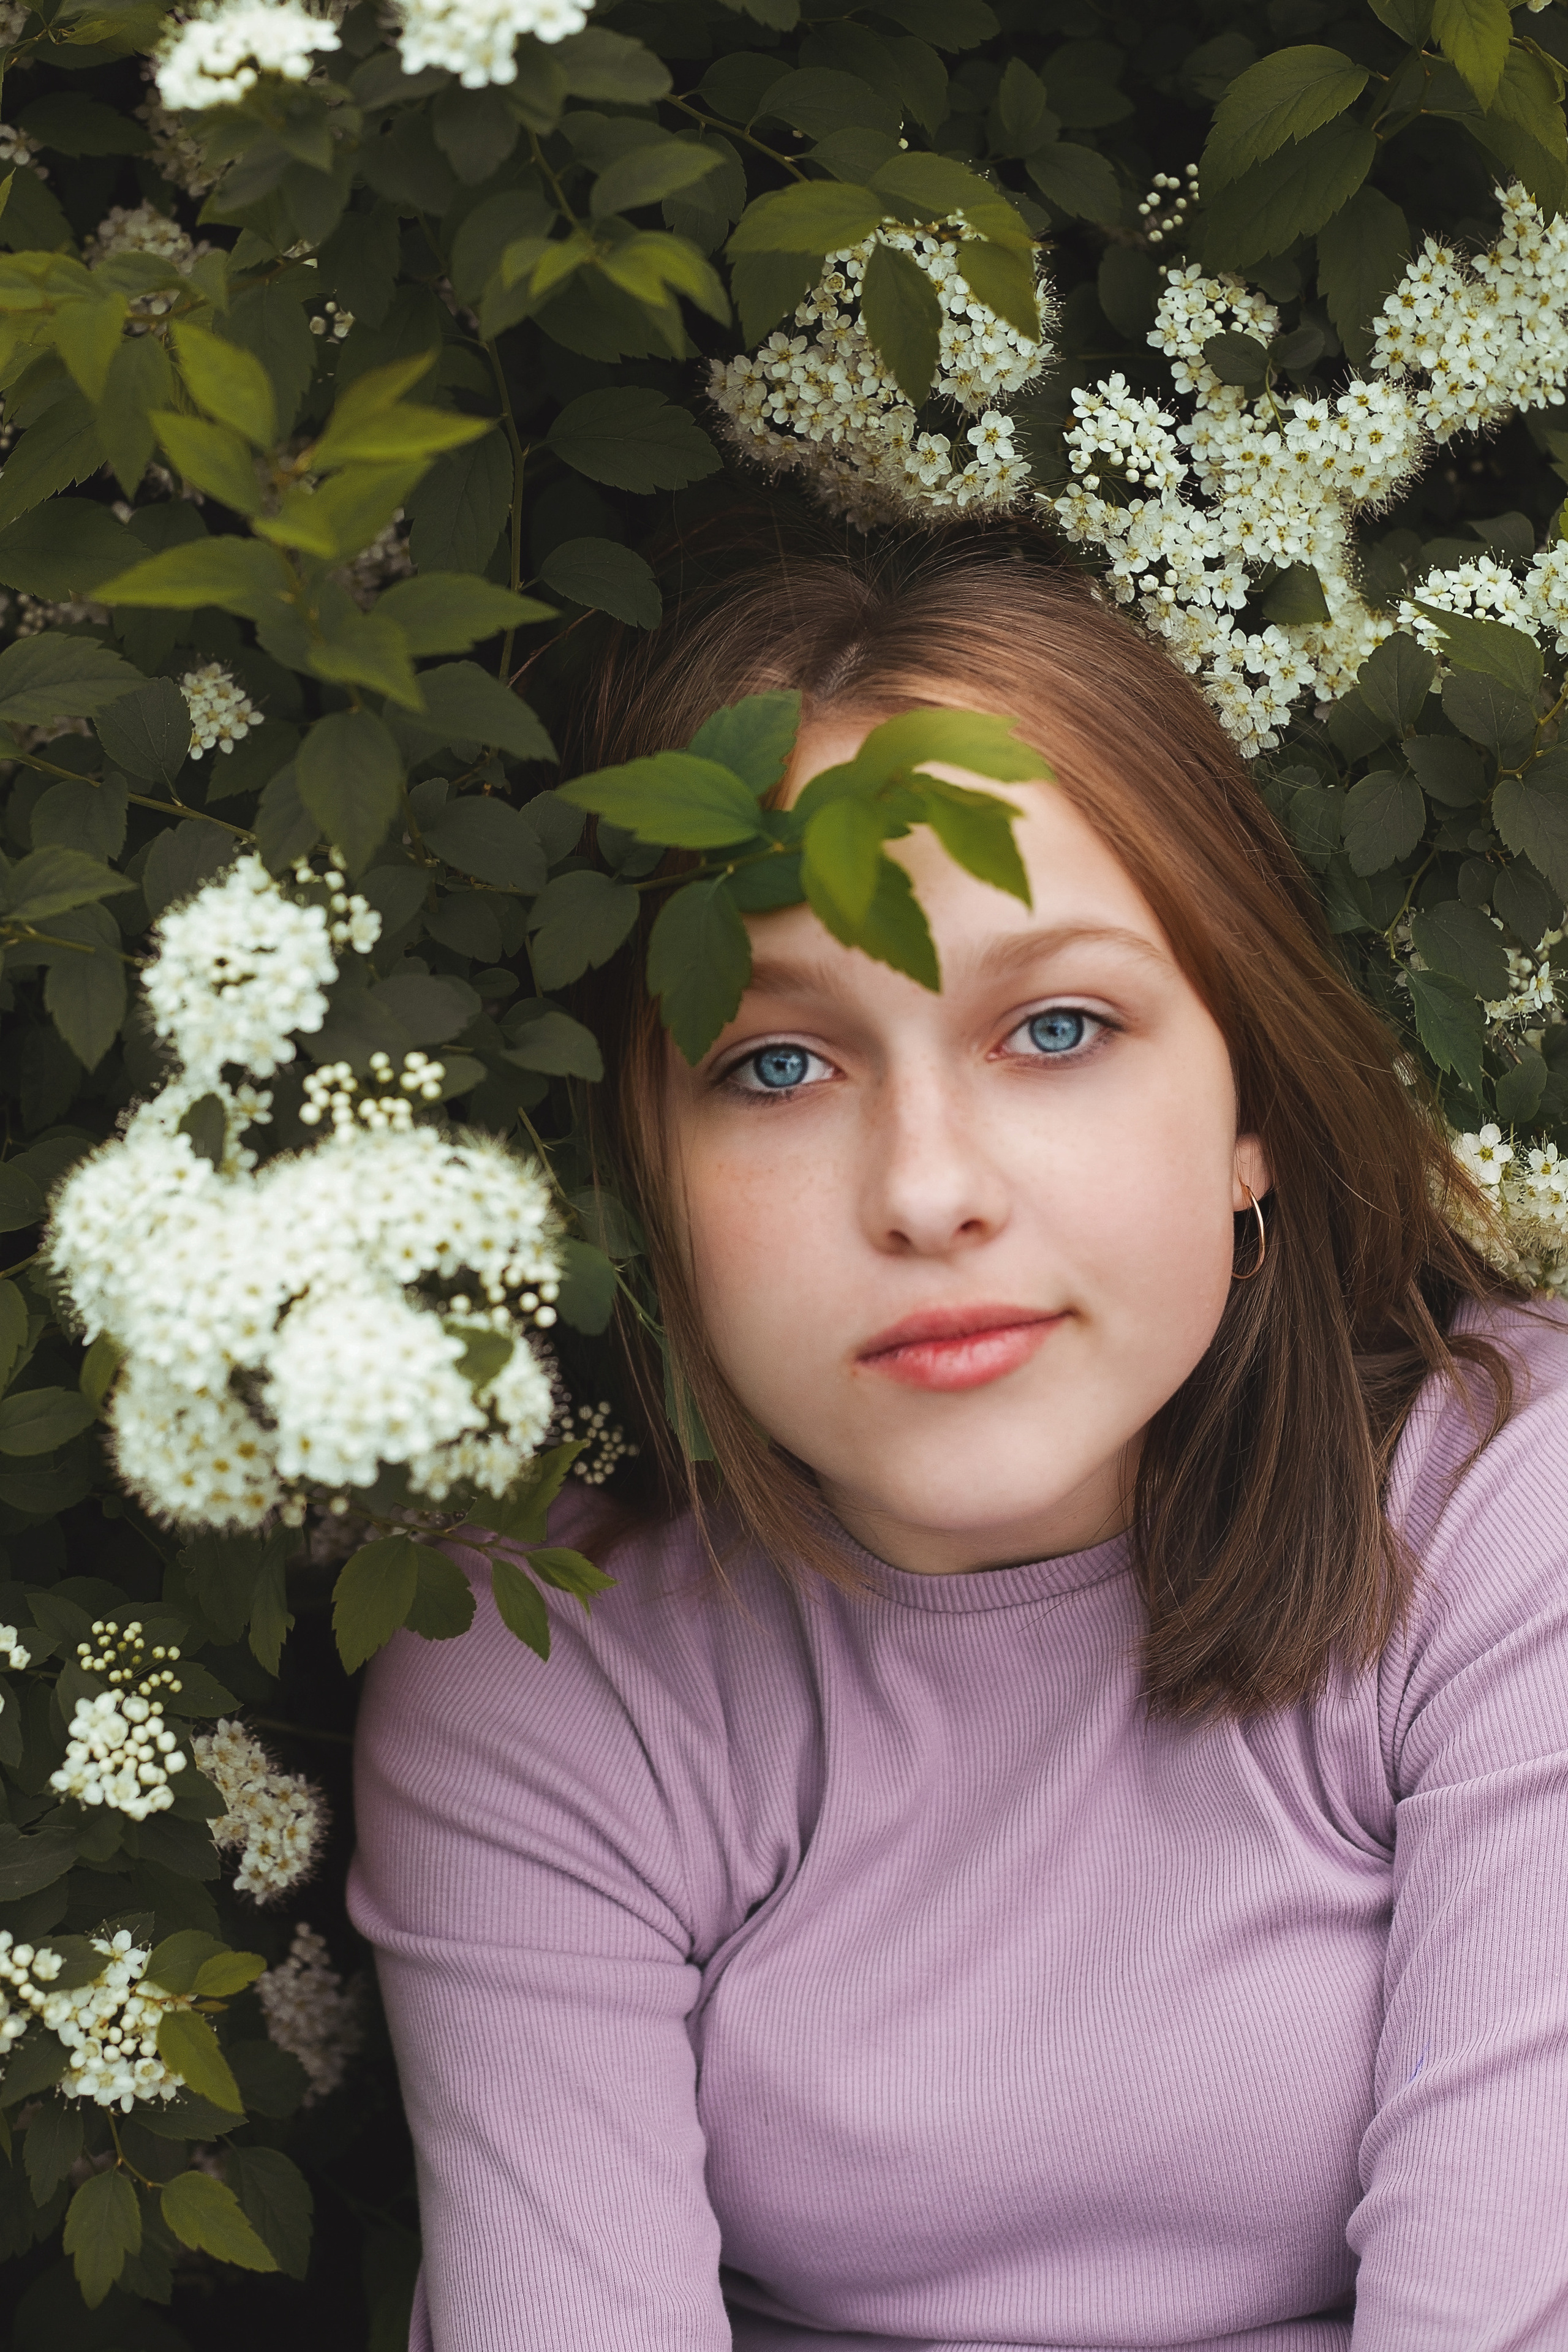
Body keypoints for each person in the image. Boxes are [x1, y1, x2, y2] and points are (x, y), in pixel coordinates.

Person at [347, 527, 1568, 2351]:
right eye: (777, 1065)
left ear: (1253, 1105)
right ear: (639, 1176)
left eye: (1057, 1026)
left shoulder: (1501, 1516)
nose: (928, 1192)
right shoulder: (545, 1666)